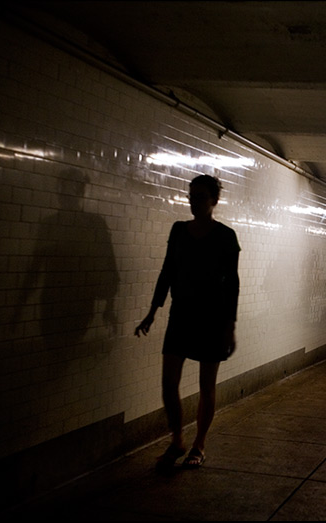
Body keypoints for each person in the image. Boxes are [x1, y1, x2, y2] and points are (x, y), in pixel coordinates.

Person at [135, 174, 240, 471]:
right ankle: (177, 439)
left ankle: (199, 444)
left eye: (201, 197)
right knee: (169, 382)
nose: (194, 202)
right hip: (180, 315)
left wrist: (230, 326)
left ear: (214, 201)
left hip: (212, 318)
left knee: (206, 386)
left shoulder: (225, 236)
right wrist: (153, 311)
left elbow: (232, 283)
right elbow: (167, 271)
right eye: (191, 196)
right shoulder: (179, 230)